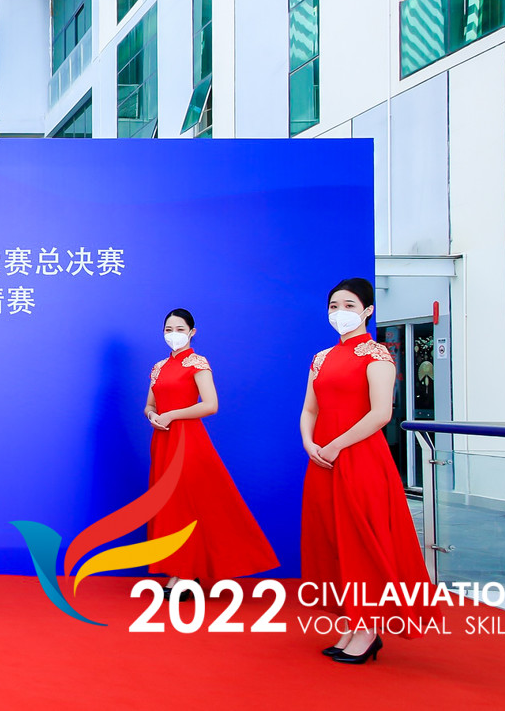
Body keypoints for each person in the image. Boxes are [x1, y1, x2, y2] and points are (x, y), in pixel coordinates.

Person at [300, 278, 430, 664]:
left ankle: (368, 627)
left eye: (349, 305)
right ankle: (352, 621)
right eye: (334, 306)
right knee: (334, 540)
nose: (340, 312)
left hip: (360, 458)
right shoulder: (321, 358)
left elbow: (381, 413)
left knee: (362, 540)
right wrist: (309, 443)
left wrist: (336, 444)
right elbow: (309, 409)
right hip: (322, 460)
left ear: (368, 310)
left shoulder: (378, 355)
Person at [144, 308, 278, 597]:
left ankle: (186, 574)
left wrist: (172, 415)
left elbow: (210, 404)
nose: (173, 334)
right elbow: (149, 405)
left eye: (180, 329)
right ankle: (180, 570)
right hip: (163, 440)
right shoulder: (158, 367)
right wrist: (153, 416)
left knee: (187, 505)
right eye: (168, 329)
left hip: (188, 441)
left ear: (192, 332)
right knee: (168, 505)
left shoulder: (198, 363)